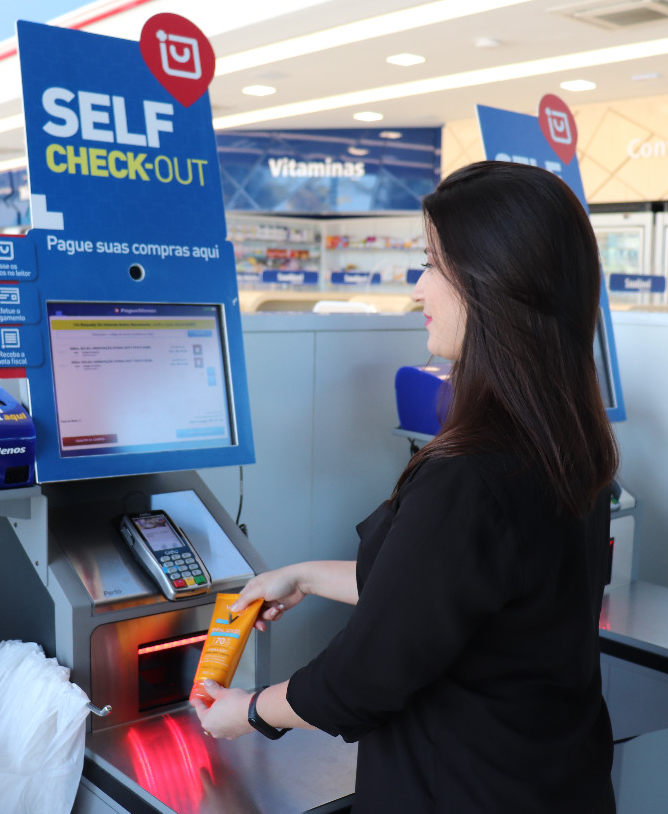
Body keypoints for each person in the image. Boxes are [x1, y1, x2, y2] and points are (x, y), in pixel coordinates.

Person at [191, 160, 620, 813]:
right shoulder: (567, 444)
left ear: (493, 284)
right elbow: (448, 590)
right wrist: (304, 574)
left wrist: (249, 711)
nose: (419, 288)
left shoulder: (471, 475)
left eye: (432, 264)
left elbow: (362, 679)